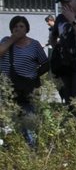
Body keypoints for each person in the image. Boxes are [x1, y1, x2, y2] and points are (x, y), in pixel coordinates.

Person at [0, 16, 48, 148]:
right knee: (7, 116)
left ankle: (31, 145)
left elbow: (45, 63)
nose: (18, 29)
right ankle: (9, 143)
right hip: (7, 86)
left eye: (21, 26)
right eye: (15, 26)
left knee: (28, 116)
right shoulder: (6, 41)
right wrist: (12, 39)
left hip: (27, 87)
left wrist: (34, 75)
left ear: (27, 28)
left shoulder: (34, 45)